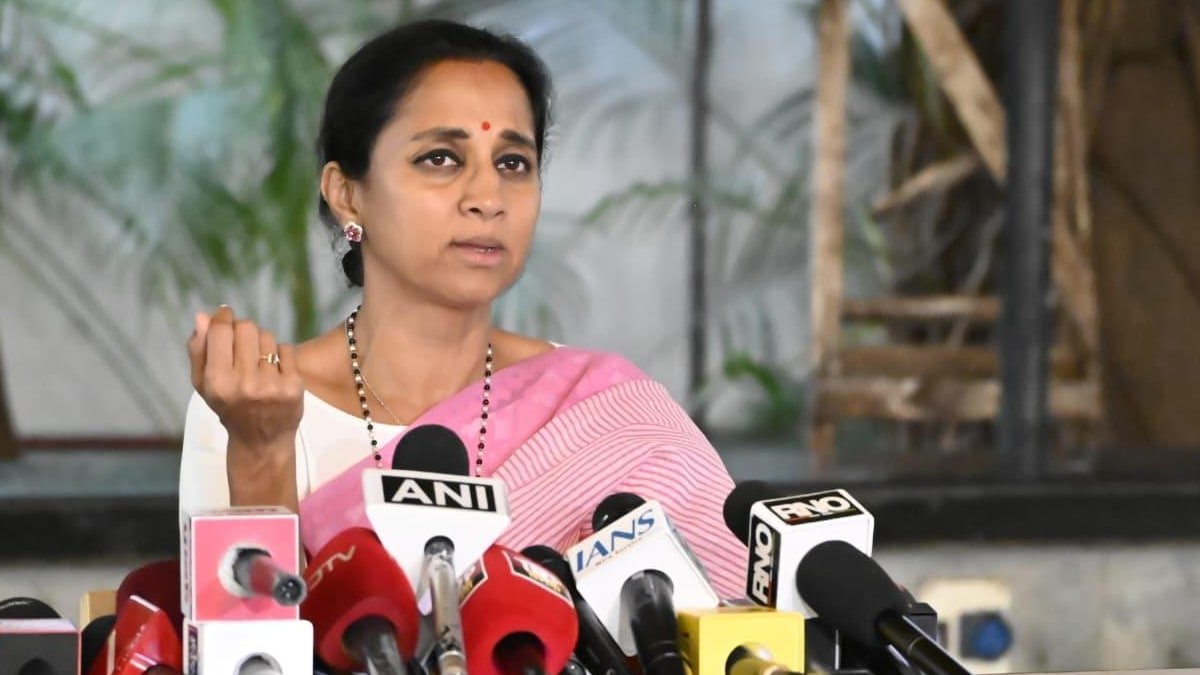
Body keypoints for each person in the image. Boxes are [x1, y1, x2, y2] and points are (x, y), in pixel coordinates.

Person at [179, 19, 746, 597]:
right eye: (441, 159)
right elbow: (240, 630)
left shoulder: (601, 409)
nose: (487, 198)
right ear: (347, 194)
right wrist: (262, 452)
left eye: (513, 163)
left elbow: (733, 618)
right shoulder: (256, 406)